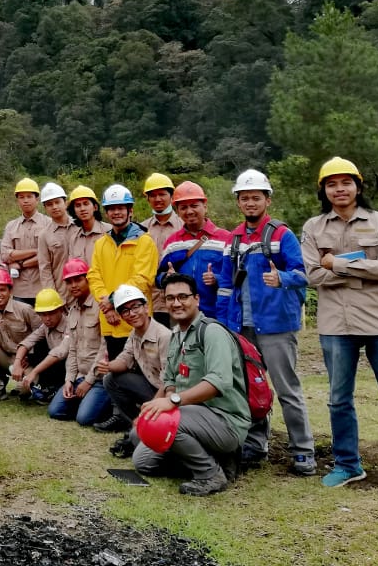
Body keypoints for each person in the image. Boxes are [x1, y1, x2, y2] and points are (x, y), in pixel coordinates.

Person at [301, 157, 378, 497]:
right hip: (335, 324)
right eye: (331, 183)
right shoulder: (314, 228)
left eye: (346, 182)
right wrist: (358, 266)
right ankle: (347, 464)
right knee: (339, 399)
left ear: (359, 185)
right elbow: (313, 276)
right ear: (323, 190)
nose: (339, 189)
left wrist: (337, 262)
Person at [223, 169, 315, 476]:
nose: (250, 203)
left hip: (276, 325)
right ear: (238, 201)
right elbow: (226, 284)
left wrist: (282, 278)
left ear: (267, 200)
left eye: (255, 198)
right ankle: (256, 444)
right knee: (251, 388)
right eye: (244, 198)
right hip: (243, 326)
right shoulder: (234, 238)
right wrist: (226, 324)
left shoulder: (282, 235)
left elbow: (304, 275)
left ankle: (303, 451)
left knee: (287, 389)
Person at [131, 273, 251, 497]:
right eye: (170, 298)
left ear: (197, 299)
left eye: (183, 297)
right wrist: (154, 408)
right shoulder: (177, 335)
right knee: (142, 455)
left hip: (224, 420)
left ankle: (210, 474)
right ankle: (214, 460)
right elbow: (170, 381)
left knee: (166, 425)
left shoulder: (212, 332)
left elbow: (218, 382)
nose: (176, 303)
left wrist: (172, 401)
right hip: (192, 418)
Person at [87, 184, 159, 366]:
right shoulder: (101, 243)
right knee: (117, 372)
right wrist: (107, 307)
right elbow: (94, 276)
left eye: (120, 208)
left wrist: (112, 302)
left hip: (136, 320)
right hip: (110, 321)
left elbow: (142, 279)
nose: (116, 212)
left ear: (130, 210)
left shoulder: (144, 242)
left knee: (143, 373)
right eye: (111, 209)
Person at [103, 284, 173, 456]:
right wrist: (107, 365)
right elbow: (125, 360)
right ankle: (136, 423)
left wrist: (148, 409)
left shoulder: (164, 336)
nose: (131, 313)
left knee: (140, 442)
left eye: (135, 306)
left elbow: (170, 381)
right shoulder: (134, 334)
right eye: (125, 311)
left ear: (146, 306)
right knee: (110, 379)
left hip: (169, 393)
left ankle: (143, 425)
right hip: (152, 388)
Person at [157, 181, 233, 320]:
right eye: (183, 207)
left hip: (218, 314)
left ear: (205, 206)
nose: (189, 211)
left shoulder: (225, 238)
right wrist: (165, 278)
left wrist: (217, 279)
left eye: (194, 206)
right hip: (182, 316)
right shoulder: (172, 242)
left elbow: (236, 277)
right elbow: (158, 276)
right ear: (177, 211)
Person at [49, 258, 112, 426]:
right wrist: (69, 379)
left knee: (84, 419)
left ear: (88, 279)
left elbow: (105, 350)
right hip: (79, 377)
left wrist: (89, 381)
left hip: (100, 379)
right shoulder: (72, 312)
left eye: (78, 279)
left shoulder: (101, 306)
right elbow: (72, 350)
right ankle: (86, 402)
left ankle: (108, 404)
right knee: (55, 411)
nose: (73, 285)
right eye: (69, 282)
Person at [0, 268, 40, 403]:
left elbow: (41, 335)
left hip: (24, 360)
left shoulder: (24, 309)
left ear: (10, 291)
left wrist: (30, 357)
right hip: (4, 357)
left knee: (25, 391)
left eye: (2, 290)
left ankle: (24, 384)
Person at [11, 288, 70, 403]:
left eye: (51, 313)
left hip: (69, 369)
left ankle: (52, 388)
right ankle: (43, 387)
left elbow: (59, 352)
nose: (47, 318)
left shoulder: (70, 324)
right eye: (43, 314)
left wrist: (34, 372)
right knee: (38, 346)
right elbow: (27, 342)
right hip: (52, 368)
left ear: (61, 310)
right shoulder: (45, 327)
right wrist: (17, 363)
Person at [140, 173, 183, 329]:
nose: (158, 199)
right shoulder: (142, 229)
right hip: (150, 301)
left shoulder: (182, 226)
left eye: (162, 194)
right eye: (153, 195)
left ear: (171, 196)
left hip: (177, 300)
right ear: (148, 199)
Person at [0, 178, 51, 304]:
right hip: (19, 290)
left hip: (43, 286)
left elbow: (49, 255)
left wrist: (21, 264)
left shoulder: (48, 224)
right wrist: (35, 251)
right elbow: (5, 255)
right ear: (17, 200)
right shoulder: (11, 226)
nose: (26, 200)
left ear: (37, 199)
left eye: (29, 196)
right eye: (22, 197)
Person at [64, 185, 109, 282]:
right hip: (84, 291)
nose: (82, 209)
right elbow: (73, 269)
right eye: (78, 205)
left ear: (95, 207)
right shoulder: (74, 238)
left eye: (86, 204)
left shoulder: (109, 231)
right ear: (74, 211)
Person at [36, 182, 74, 293]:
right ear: (45, 208)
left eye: (57, 202)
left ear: (66, 203)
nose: (54, 207)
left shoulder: (80, 227)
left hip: (87, 292)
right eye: (49, 204)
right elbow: (45, 269)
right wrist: (52, 296)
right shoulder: (44, 235)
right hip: (62, 292)